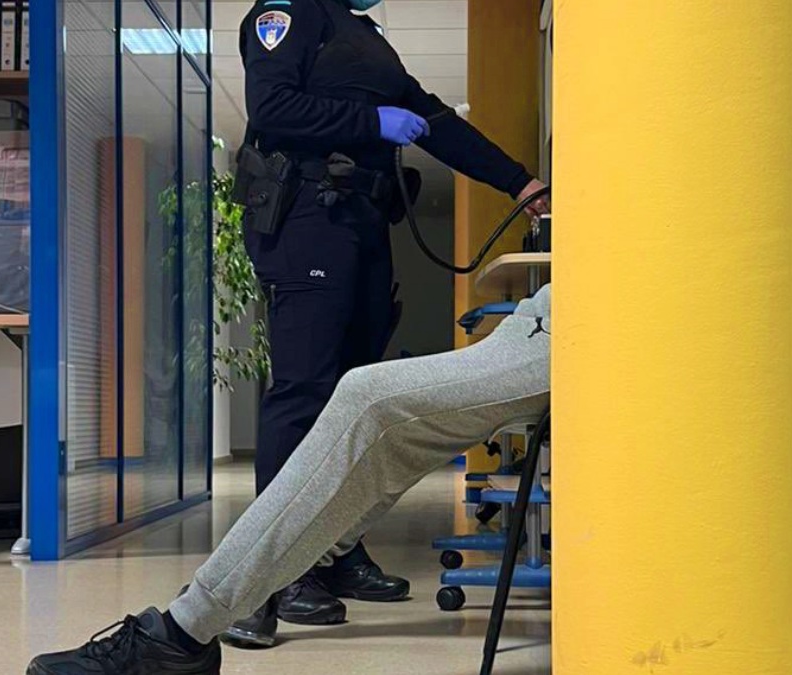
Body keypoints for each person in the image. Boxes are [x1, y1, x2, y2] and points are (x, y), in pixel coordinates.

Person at [225, 0, 550, 645]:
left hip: (361, 225)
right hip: (306, 221)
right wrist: (370, 119)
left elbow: (434, 124)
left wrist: (521, 185)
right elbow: (273, 110)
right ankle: (273, 577)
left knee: (355, 397)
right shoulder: (286, 14)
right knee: (305, 392)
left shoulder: (363, 36)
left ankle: (335, 553)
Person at [27, 285, 552, 675]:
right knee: (376, 431)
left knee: (368, 398)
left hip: (574, 322)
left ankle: (185, 630)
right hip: (544, 315)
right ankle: (269, 578)